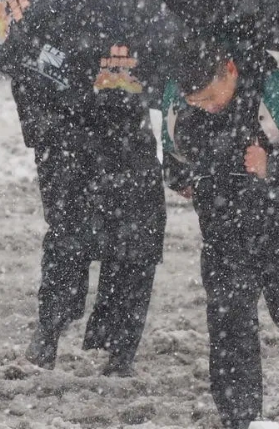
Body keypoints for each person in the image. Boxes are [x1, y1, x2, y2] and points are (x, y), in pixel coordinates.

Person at [161, 38, 279, 428]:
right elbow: (174, 155)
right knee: (229, 323)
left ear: (230, 69)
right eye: (196, 102)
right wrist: (181, 179)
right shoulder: (178, 97)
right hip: (222, 232)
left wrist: (273, 163)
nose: (207, 106)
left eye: (211, 97)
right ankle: (241, 416)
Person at [14, 37, 167, 378]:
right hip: (68, 151)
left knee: (136, 247)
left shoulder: (134, 20)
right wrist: (55, 123)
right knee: (69, 244)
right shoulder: (43, 25)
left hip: (130, 146)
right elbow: (27, 87)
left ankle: (120, 348)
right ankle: (50, 331)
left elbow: (162, 81)